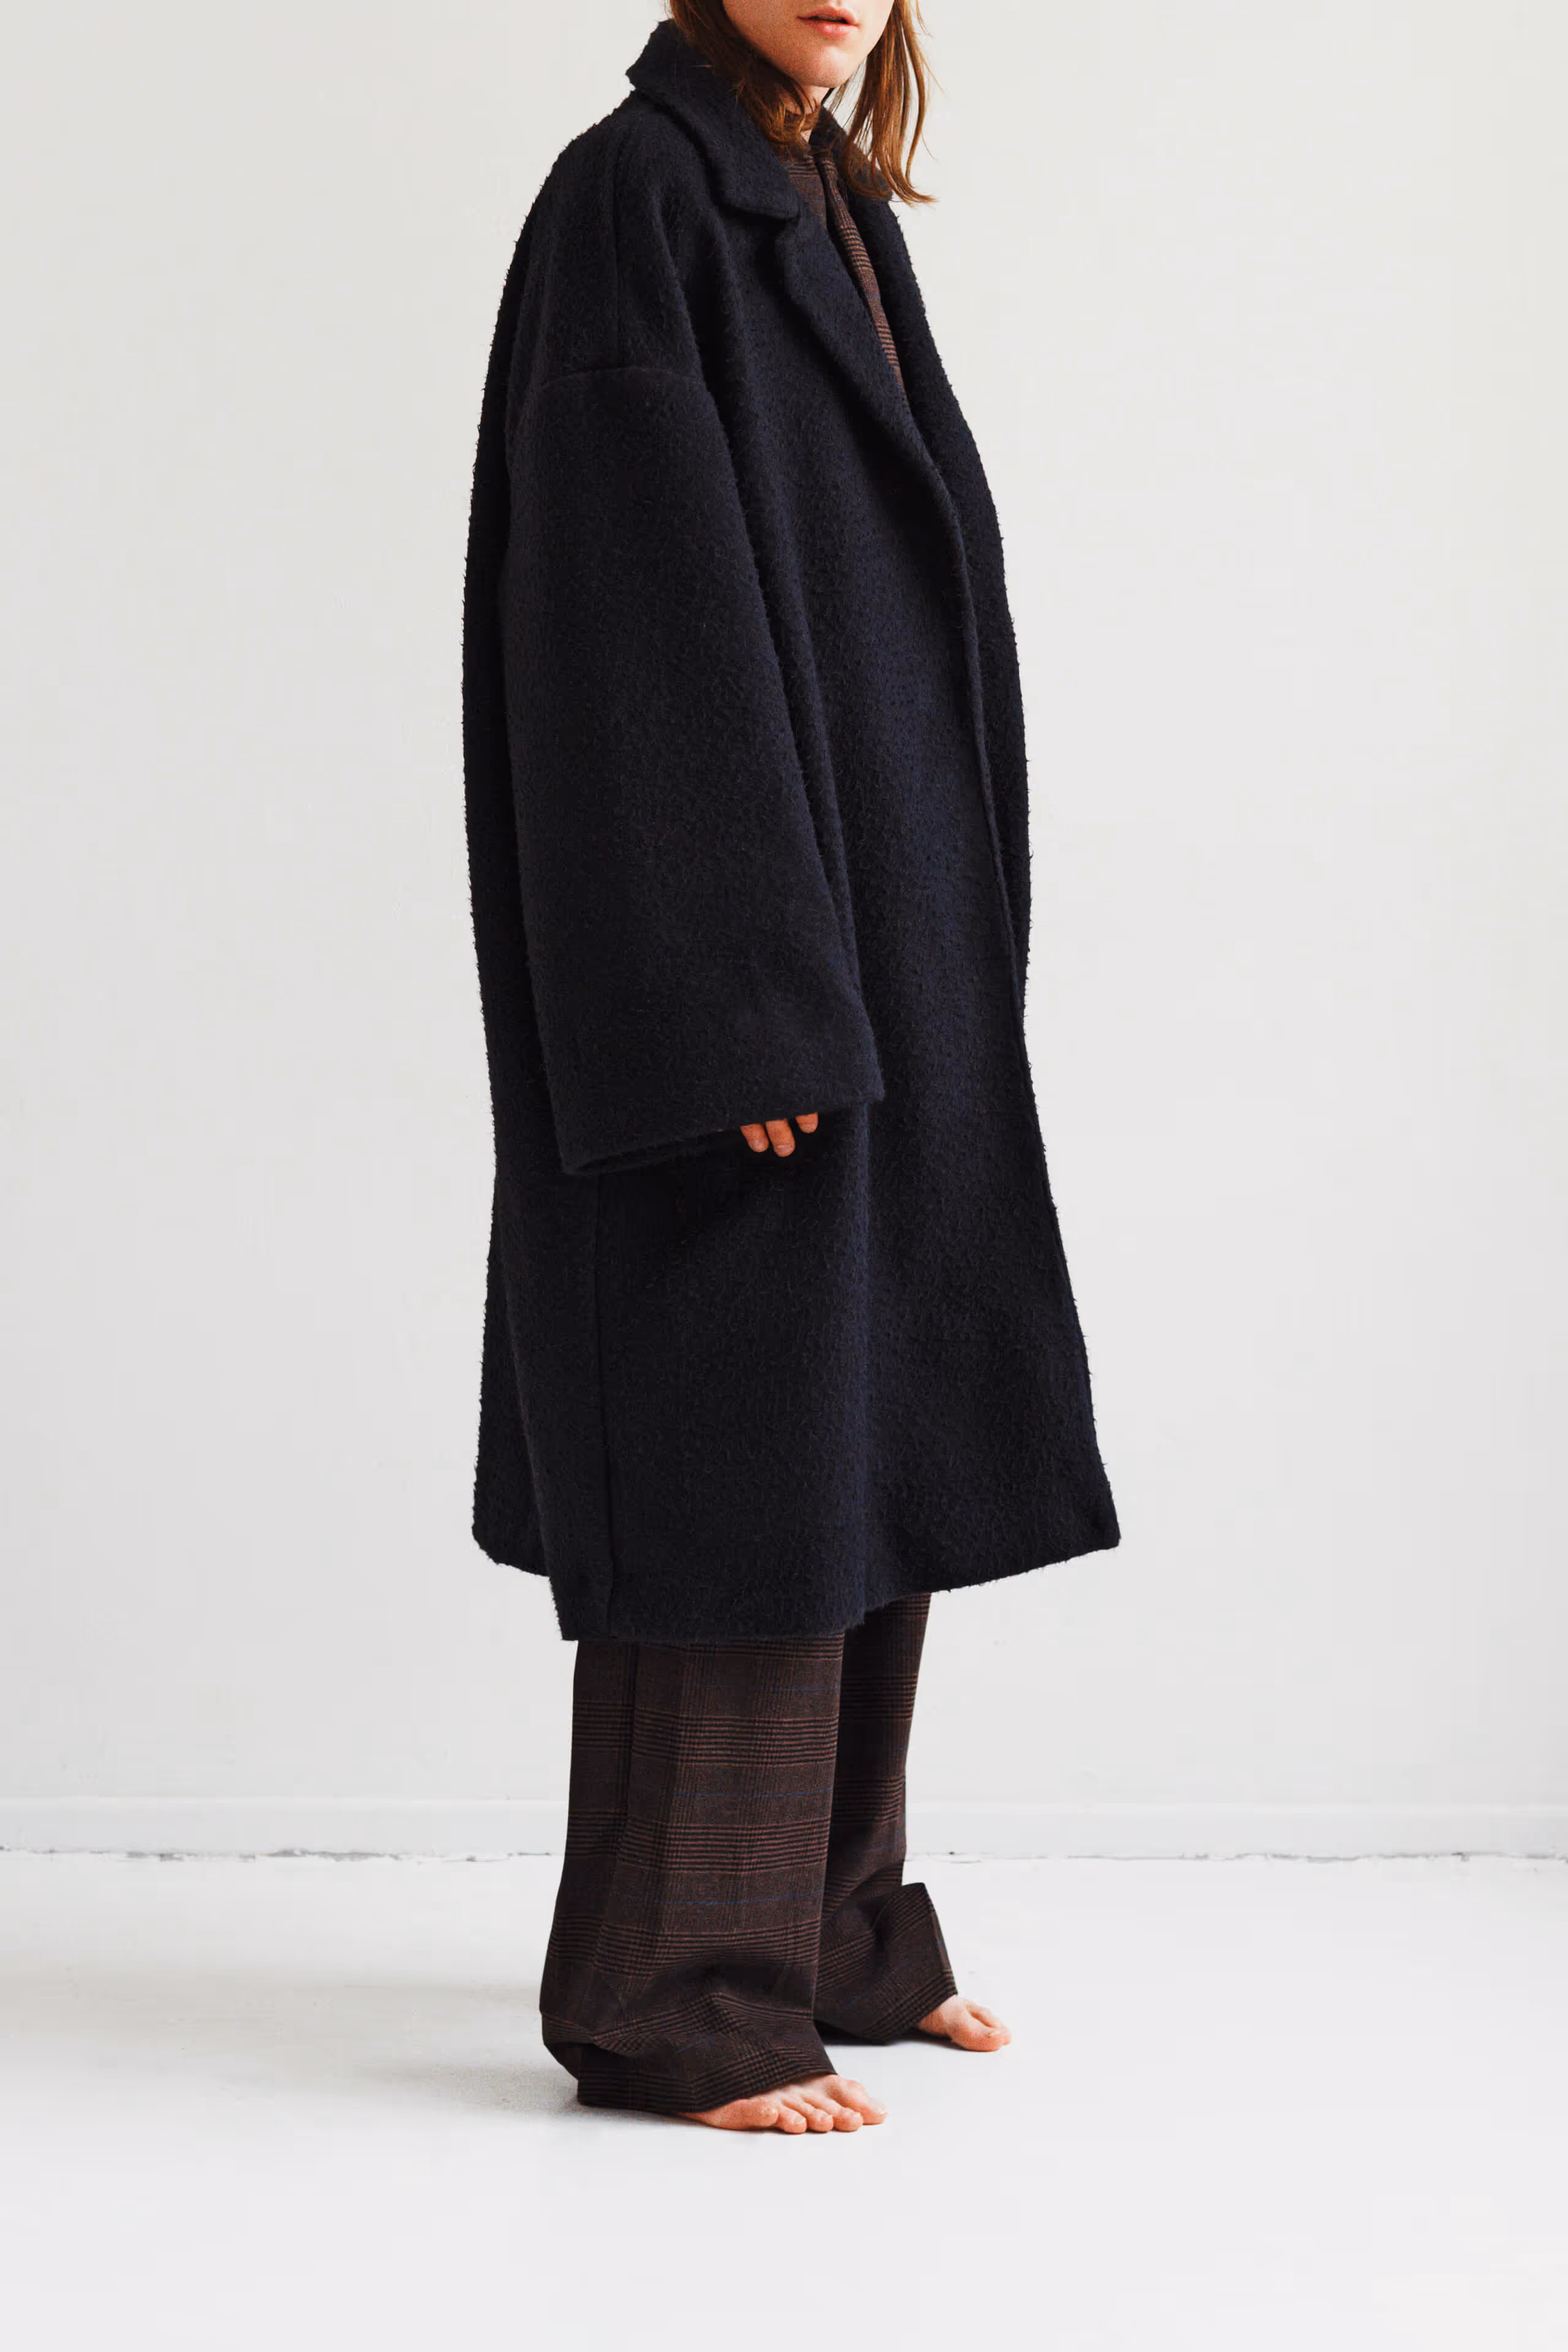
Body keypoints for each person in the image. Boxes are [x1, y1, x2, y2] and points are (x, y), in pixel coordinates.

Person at [460, 0, 1119, 2134]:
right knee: (735, 1456)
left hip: (882, 936)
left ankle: (832, 1934)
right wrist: (731, 993)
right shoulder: (637, 198)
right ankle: (680, 1992)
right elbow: (623, 619)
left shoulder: (819, 192)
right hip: (757, 967)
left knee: (863, 1440)